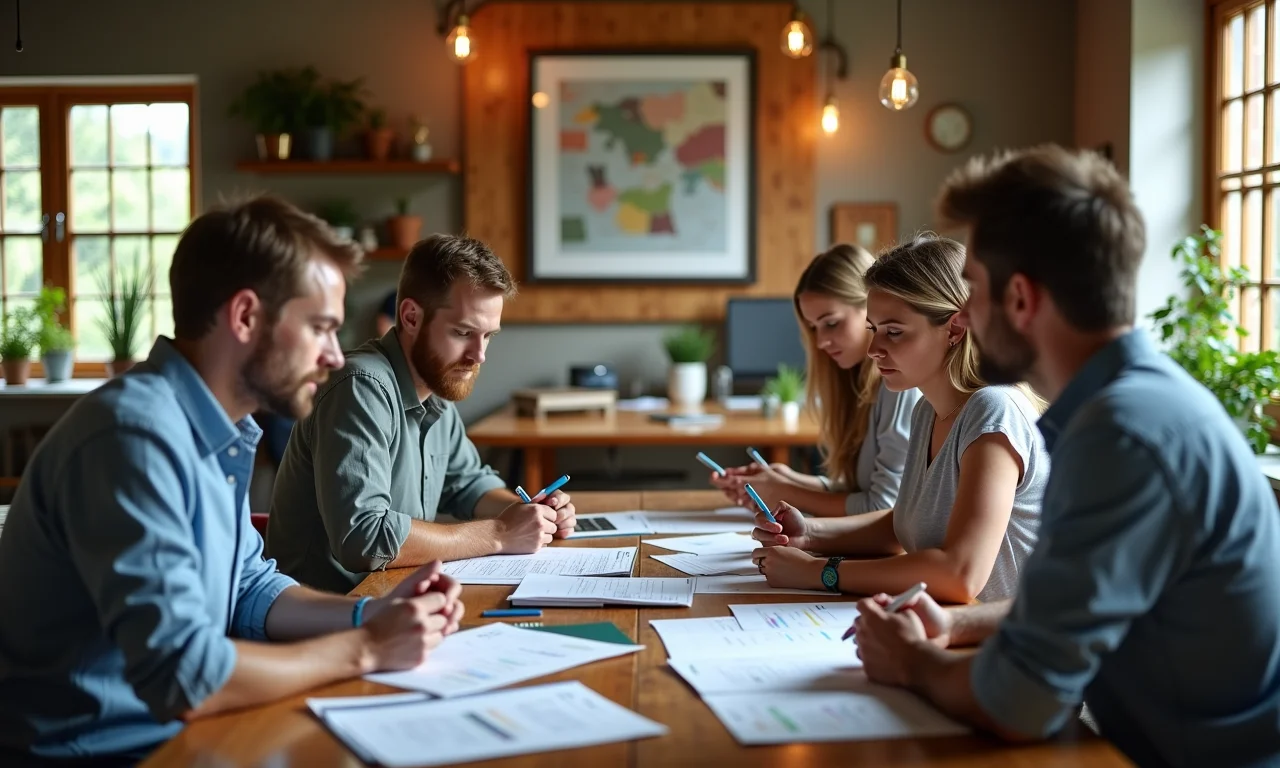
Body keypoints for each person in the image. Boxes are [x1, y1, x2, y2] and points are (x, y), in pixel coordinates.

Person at [851, 145, 1280, 768]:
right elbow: (1068, 605)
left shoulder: (1121, 436)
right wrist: (958, 626)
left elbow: (1018, 703)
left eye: (971, 289)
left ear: (1020, 300)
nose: (962, 315)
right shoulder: (1122, 408)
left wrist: (911, 661)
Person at [0, 196, 465, 765]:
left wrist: (373, 614)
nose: (335, 357)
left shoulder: (221, 426)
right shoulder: (133, 438)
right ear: (245, 316)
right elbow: (186, 676)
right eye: (320, 328)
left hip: (187, 734)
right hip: (105, 753)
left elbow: (248, 587)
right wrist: (366, 648)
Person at [266, 234, 577, 593]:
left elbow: (469, 484)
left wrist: (531, 514)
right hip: (324, 618)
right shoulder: (360, 386)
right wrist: (500, 532)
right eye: (463, 332)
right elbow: (364, 539)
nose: (479, 355)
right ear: (411, 317)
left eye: (488, 335)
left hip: (389, 599)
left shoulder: (436, 383)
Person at [750, 234, 1049, 604]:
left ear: (955, 329)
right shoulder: (927, 410)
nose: (875, 350)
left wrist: (819, 572)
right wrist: (809, 533)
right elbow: (902, 523)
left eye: (894, 332)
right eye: (874, 330)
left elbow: (960, 575)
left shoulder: (993, 411)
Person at [710, 244, 921, 516]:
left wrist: (783, 493)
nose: (820, 342)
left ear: (871, 309)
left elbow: (883, 508)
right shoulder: (858, 384)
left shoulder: (901, 386)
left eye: (831, 323)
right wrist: (785, 480)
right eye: (813, 328)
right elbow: (861, 488)